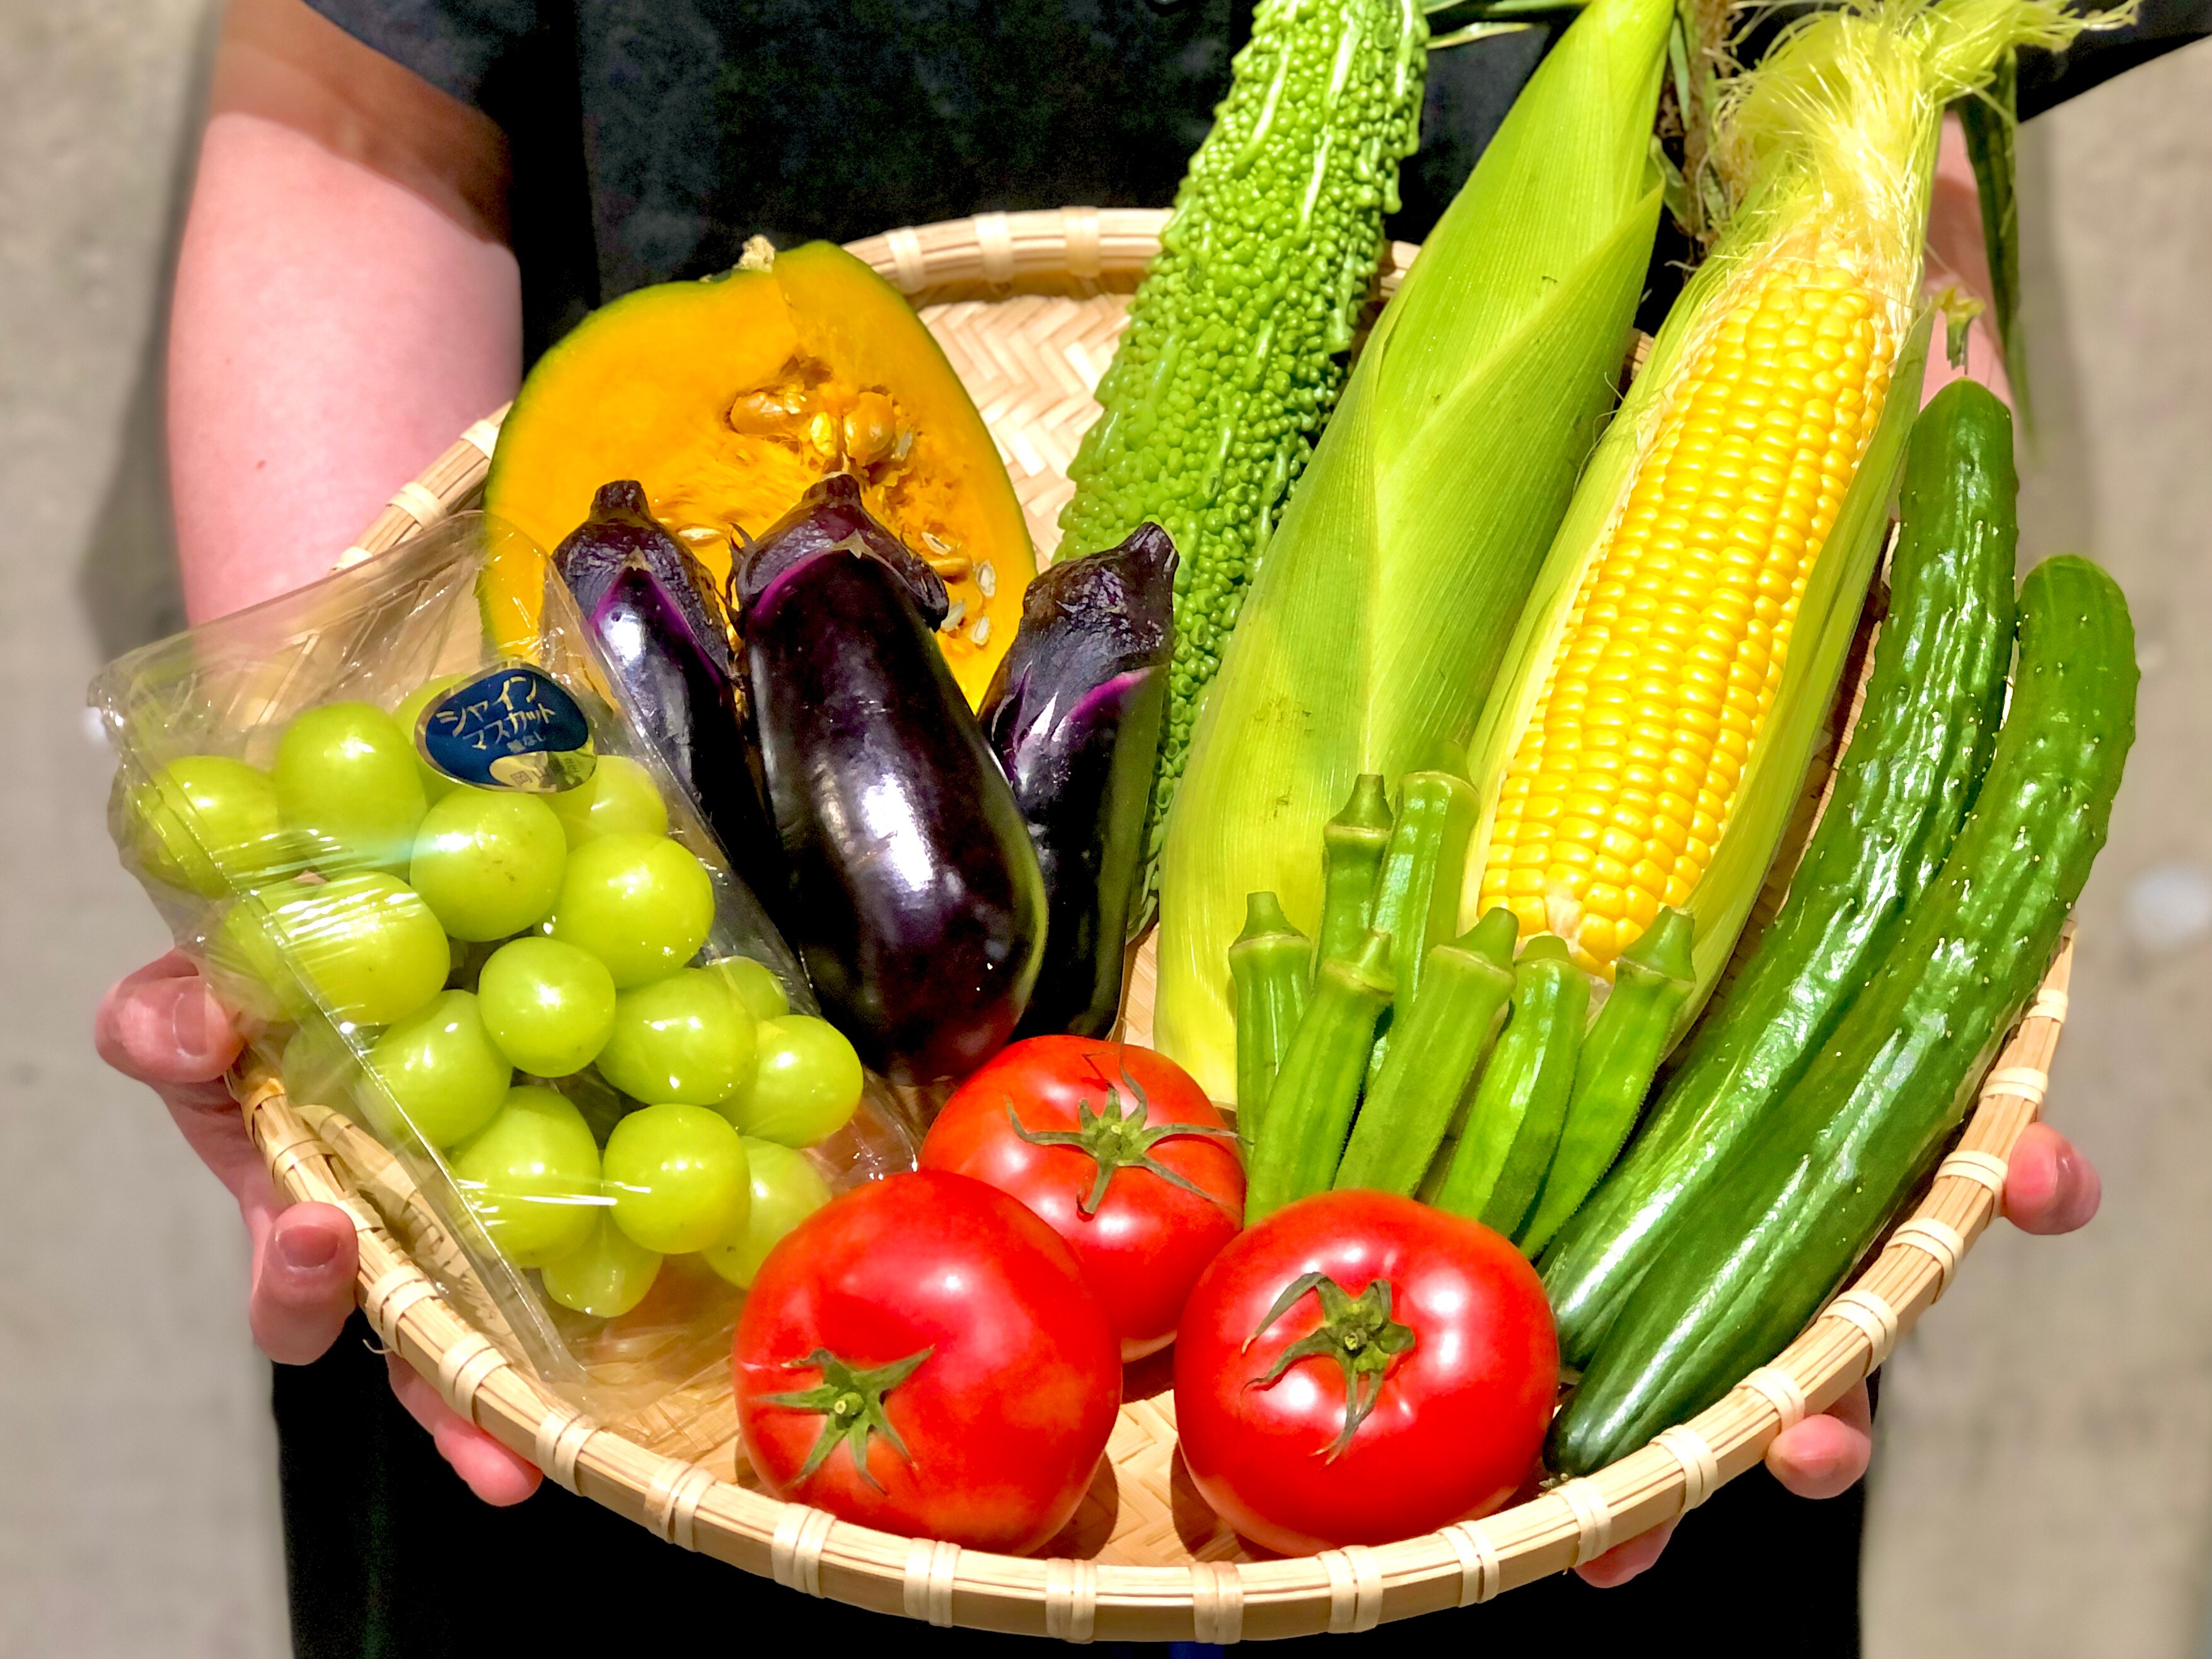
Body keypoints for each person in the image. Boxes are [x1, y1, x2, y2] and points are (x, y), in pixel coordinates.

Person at [96, 0, 2194, 1651]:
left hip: (1507, 1378)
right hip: (712, 1246)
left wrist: (1855, 974)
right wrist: (361, 951)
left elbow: (1884, 119)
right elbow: (363, 121)